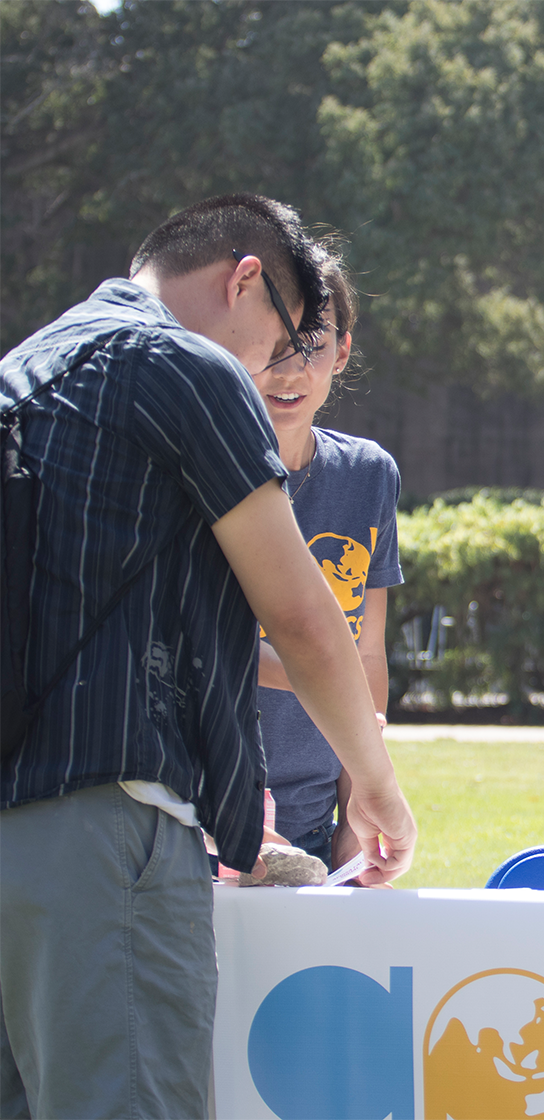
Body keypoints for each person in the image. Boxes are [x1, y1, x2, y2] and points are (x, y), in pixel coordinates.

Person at [0, 194, 418, 1118]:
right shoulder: (185, 363)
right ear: (244, 281)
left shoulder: (28, 366)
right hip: (110, 824)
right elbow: (306, 617)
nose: (274, 370)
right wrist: (375, 784)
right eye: (280, 341)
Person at [250, 257, 403, 877]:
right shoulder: (196, 471)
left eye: (311, 346)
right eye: (273, 347)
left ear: (342, 352)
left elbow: (365, 655)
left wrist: (352, 810)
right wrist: (310, 669)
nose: (289, 371)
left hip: (314, 818)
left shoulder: (369, 475)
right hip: (199, 819)